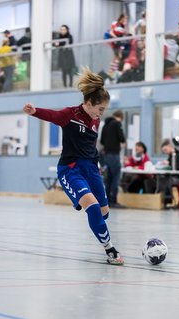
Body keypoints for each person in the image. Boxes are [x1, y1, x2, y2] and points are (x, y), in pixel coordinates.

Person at [23, 68, 124, 265]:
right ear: (88, 103)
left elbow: (89, 145)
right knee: (94, 209)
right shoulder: (70, 114)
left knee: (104, 213)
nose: (101, 113)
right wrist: (35, 112)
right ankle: (110, 250)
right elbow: (52, 115)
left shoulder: (95, 120)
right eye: (100, 109)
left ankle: (99, 231)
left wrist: (96, 165)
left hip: (91, 169)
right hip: (71, 170)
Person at [100, 110, 126, 208]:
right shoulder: (117, 123)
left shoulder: (105, 125)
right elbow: (122, 138)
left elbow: (102, 141)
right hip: (114, 154)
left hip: (106, 155)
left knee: (108, 178)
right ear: (120, 117)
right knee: (116, 177)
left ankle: (107, 201)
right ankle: (114, 201)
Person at [161, 139, 179, 208]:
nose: (165, 152)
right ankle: (162, 201)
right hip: (173, 177)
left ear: (170, 147)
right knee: (161, 180)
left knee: (166, 182)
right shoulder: (170, 156)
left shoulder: (178, 155)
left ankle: (167, 200)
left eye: (165, 150)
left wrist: (169, 163)